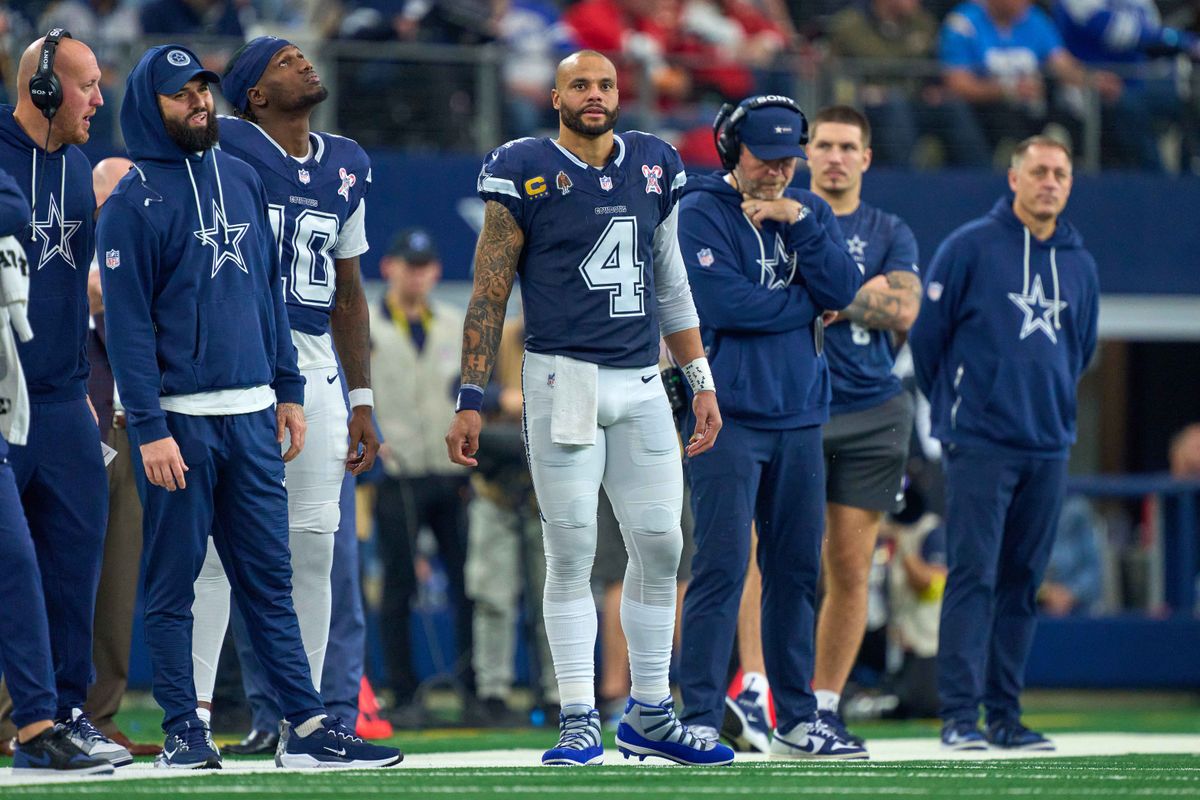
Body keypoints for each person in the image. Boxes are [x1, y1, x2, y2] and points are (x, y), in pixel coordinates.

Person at [96, 43, 401, 770]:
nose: (198, 103)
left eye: (203, 90)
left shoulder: (235, 176)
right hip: (180, 417)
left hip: (255, 410)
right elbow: (129, 328)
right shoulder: (132, 202)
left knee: (271, 578)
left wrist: (289, 389)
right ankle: (184, 730)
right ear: (149, 105)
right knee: (176, 582)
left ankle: (304, 726)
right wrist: (149, 427)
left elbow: (269, 294)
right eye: (180, 95)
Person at [445, 49, 733, 767]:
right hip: (561, 380)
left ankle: (650, 713)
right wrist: (472, 396)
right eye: (581, 84)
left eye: (605, 83)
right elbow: (488, 292)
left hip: (640, 380)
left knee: (662, 545)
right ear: (555, 96)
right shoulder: (523, 166)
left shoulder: (655, 163)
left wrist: (700, 381)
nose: (596, 94)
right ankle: (579, 714)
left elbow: (670, 286)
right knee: (571, 551)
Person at [187, 35, 379, 755]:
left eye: (303, 55)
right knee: (211, 554)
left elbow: (350, 291)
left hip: (315, 362)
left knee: (313, 549)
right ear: (255, 95)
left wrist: (362, 396)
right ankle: (194, 720)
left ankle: (310, 723)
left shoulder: (348, 163)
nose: (303, 62)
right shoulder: (223, 144)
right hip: (234, 354)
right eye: (282, 61)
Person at [675, 94, 865, 759]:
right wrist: (809, 300)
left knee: (795, 574)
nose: (779, 173)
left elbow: (846, 290)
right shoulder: (699, 212)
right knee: (721, 566)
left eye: (789, 161)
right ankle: (697, 715)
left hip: (802, 418)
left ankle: (797, 721)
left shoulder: (806, 212)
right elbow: (725, 305)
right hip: (727, 417)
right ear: (732, 150)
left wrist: (803, 228)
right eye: (766, 159)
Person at [909, 135, 1099, 751]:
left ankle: (1006, 717)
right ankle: (959, 717)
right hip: (980, 441)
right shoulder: (968, 247)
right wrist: (962, 410)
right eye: (1038, 171)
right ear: (1013, 179)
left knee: (1022, 580)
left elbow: (1083, 350)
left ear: (1069, 184)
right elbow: (928, 343)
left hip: (1048, 443)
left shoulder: (1080, 263)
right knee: (973, 576)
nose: (1050, 181)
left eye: (1060, 174)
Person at [0, 29, 127, 767]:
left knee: (77, 559)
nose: (98, 99)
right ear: (43, 90)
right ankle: (34, 721)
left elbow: (73, 291)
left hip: (59, 397)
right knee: (13, 563)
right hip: (4, 401)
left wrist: (80, 382)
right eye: (86, 86)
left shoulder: (79, 169)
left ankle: (65, 716)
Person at [804, 105, 922, 752]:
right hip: (792, 406)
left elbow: (904, 305)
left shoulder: (888, 226)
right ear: (806, 152)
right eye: (824, 144)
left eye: (848, 146)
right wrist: (861, 291)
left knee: (850, 568)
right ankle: (762, 691)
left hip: (872, 408)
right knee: (775, 560)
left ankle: (824, 704)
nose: (836, 156)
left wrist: (820, 285)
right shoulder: (783, 212)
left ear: (867, 157)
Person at [371, 226, 474, 727]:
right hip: (397, 471)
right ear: (389, 267)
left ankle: (472, 686)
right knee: (396, 585)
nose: (418, 274)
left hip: (449, 473)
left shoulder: (454, 324)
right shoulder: (365, 325)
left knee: (465, 583)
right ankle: (403, 689)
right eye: (408, 265)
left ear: (435, 270)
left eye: (425, 265)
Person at [82, 156, 162, 758]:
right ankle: (17, 714)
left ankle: (100, 713)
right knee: (52, 577)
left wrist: (111, 304)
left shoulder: (147, 261)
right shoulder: (59, 256)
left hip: (129, 433)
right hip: (69, 433)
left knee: (116, 584)